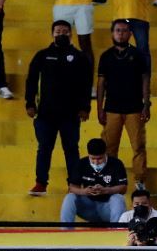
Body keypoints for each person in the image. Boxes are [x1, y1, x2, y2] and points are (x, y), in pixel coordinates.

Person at [25, 21, 92, 196]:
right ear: (52, 33)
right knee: (44, 148)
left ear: (71, 34)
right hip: (45, 113)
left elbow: (86, 84)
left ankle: (74, 183)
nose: (61, 34)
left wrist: (86, 107)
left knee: (71, 149)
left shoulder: (79, 57)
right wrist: (30, 103)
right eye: (58, 31)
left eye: (65, 31)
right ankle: (41, 183)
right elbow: (31, 80)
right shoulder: (42, 55)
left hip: (71, 114)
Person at [97, 19, 150, 191]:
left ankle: (140, 180)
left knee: (138, 146)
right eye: (118, 30)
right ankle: (110, 179)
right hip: (112, 108)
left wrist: (146, 104)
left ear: (130, 34)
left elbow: (145, 80)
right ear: (112, 33)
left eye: (125, 30)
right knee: (109, 148)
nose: (121, 33)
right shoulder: (105, 56)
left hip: (134, 108)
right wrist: (99, 108)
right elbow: (100, 84)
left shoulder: (139, 55)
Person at [60, 138, 128, 224]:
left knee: (118, 198)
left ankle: (117, 230)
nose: (96, 162)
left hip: (107, 207)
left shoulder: (116, 163)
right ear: (88, 155)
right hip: (88, 207)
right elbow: (72, 188)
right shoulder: (81, 163)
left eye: (99, 159)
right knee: (69, 197)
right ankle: (66, 231)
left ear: (105, 154)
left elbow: (123, 188)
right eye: (92, 159)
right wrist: (84, 191)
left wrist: (106, 190)